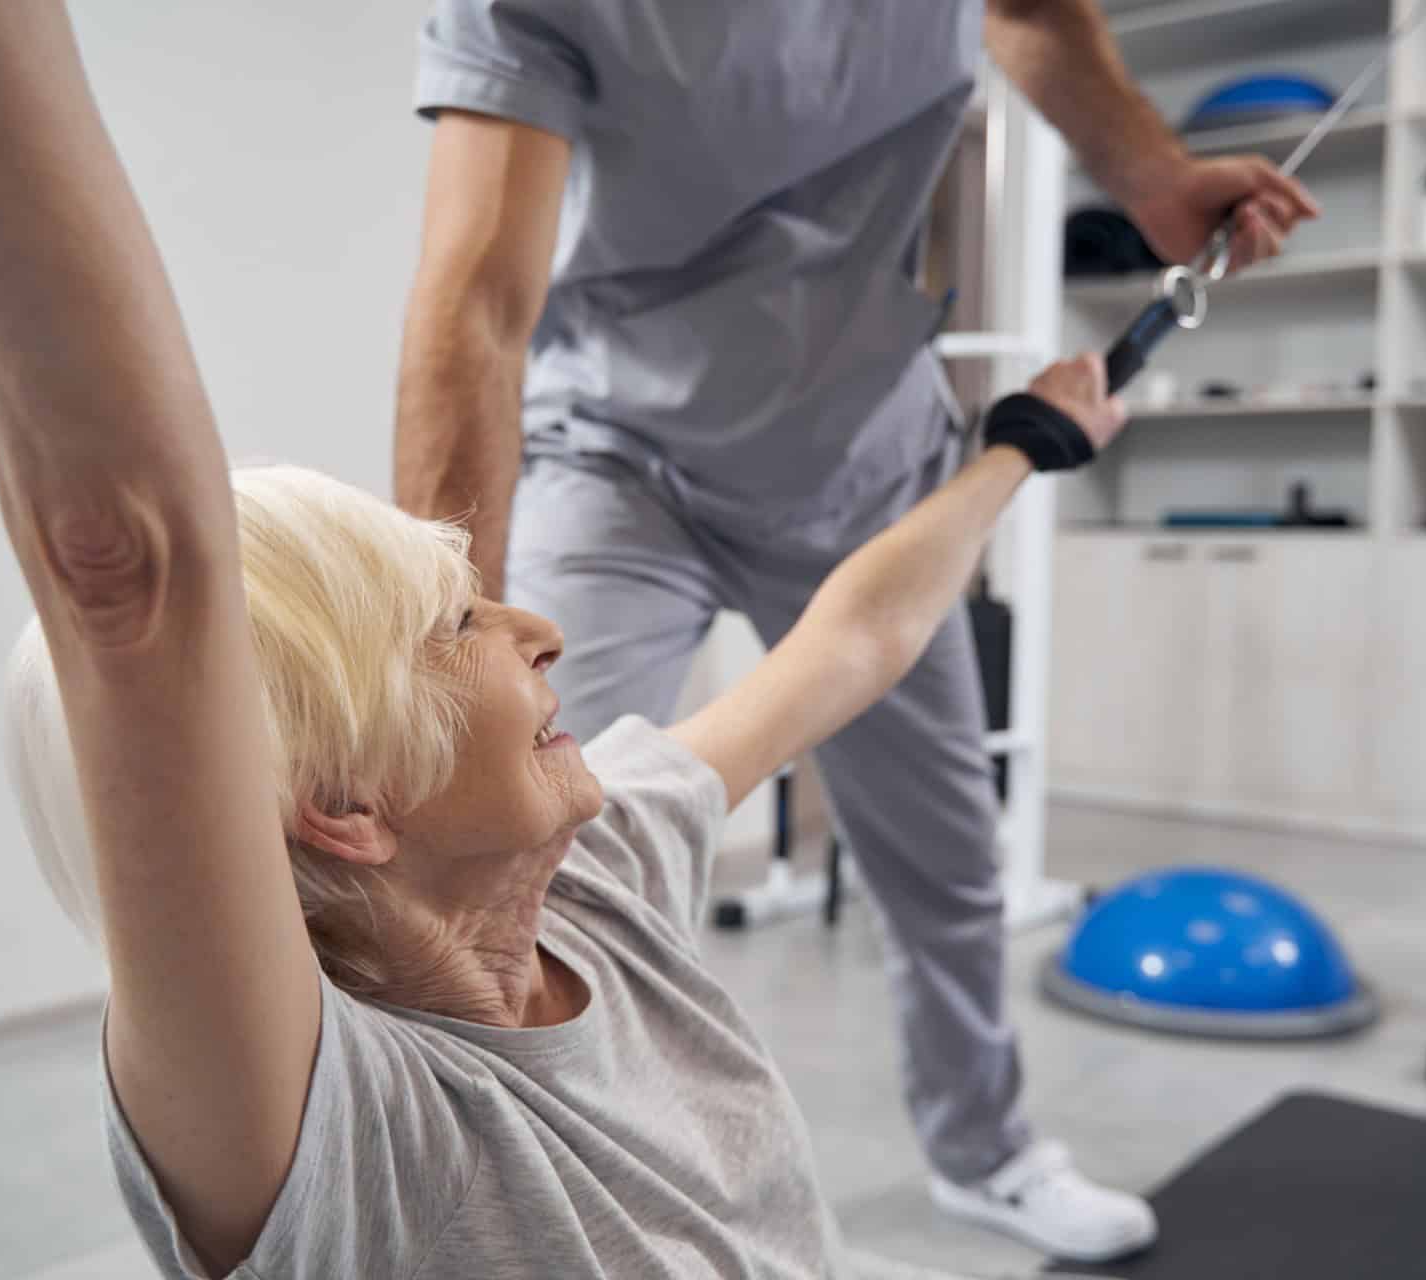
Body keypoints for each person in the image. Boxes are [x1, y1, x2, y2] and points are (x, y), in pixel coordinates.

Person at [0, 3, 1133, 1276]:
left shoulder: (608, 863)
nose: (537, 624)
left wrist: (1018, 446)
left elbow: (856, 636)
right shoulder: (320, 1115)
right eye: (456, 623)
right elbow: (124, 569)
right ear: (347, 804)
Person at [395, 0, 1319, 1260]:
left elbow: (1033, 10)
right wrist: (446, 652)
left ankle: (987, 1150)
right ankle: (514, 1177)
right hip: (616, 447)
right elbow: (477, 306)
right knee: (537, 844)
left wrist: (1154, 177)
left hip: (860, 455)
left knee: (948, 858)